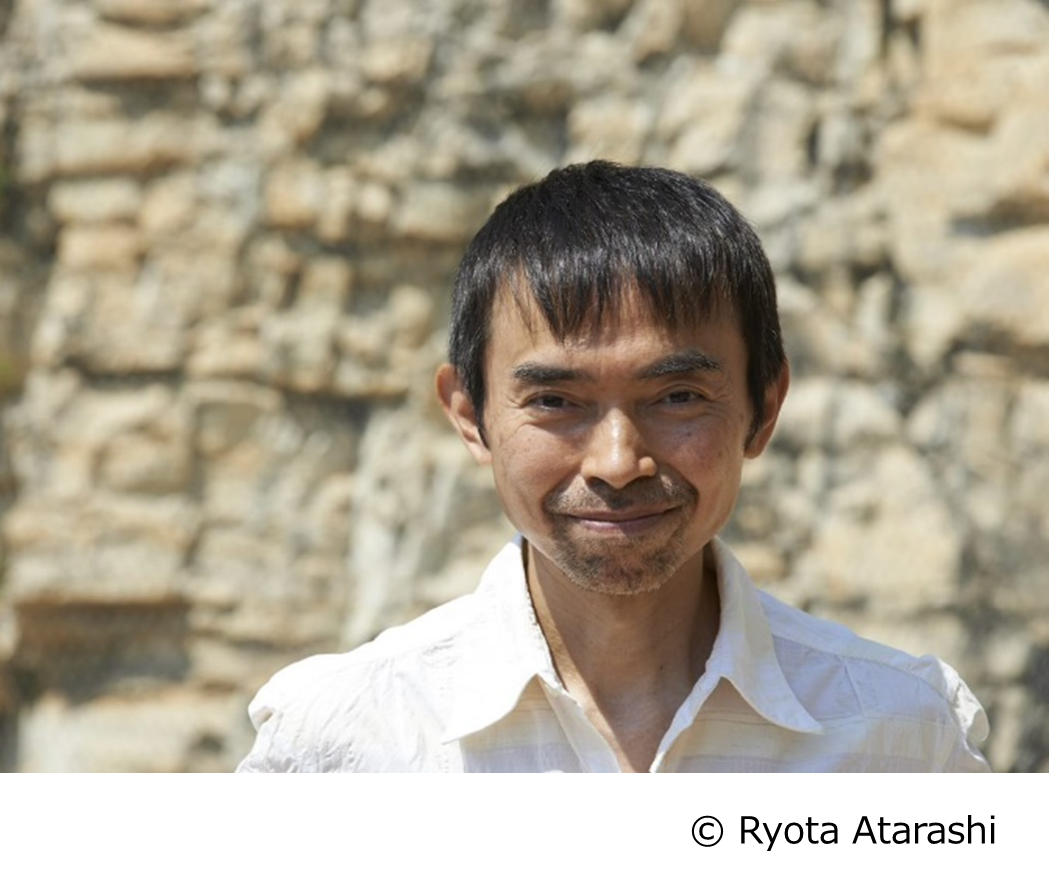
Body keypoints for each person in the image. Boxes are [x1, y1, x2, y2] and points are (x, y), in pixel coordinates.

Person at [238, 161, 990, 773]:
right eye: (555, 401)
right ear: (470, 416)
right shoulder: (347, 736)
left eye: (677, 396)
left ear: (763, 407)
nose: (618, 462)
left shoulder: (899, 734)